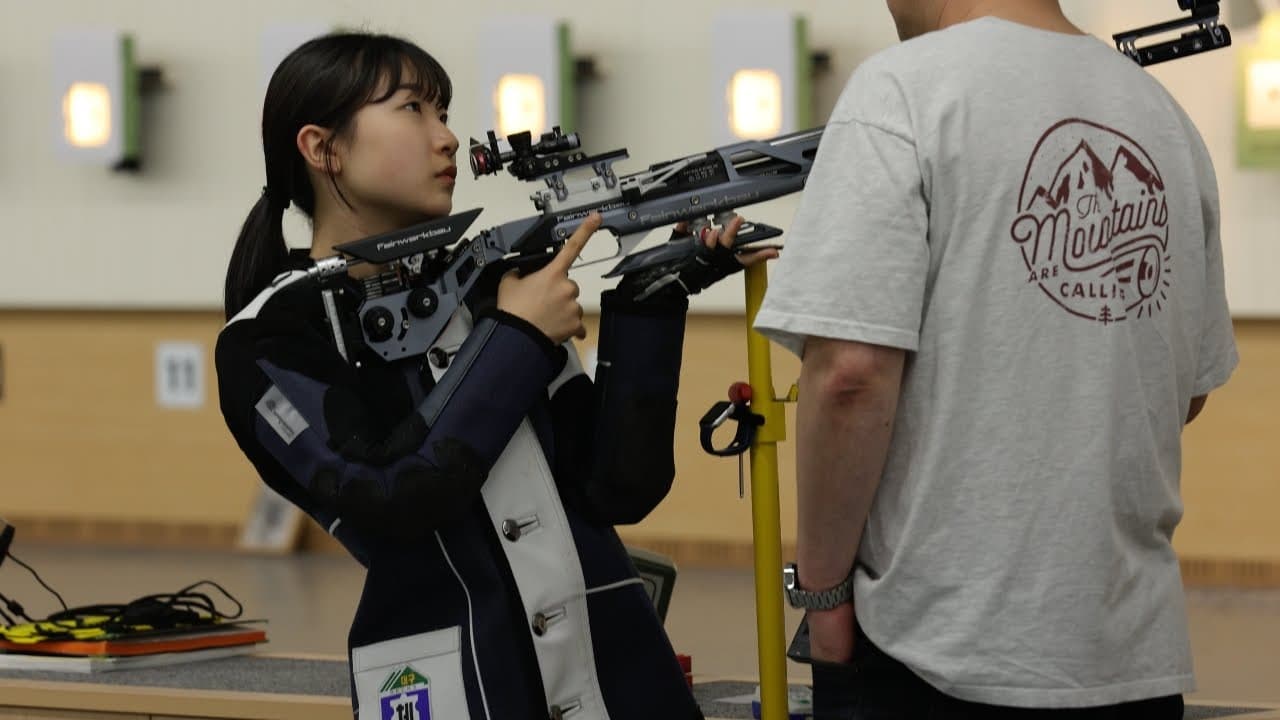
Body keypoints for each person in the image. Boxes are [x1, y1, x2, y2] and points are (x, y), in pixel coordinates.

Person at [215, 32, 772, 720]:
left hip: (618, 675)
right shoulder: (269, 337)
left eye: (443, 112)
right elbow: (390, 494)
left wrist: (648, 300)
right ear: (322, 147)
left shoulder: (486, 286)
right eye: (413, 109)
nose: (446, 138)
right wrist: (516, 337)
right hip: (456, 684)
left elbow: (618, 487)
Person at [753, 1, 1238, 717]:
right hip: (1132, 656)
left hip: (935, 653)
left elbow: (849, 378)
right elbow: (1188, 389)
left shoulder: (902, 90)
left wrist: (822, 598)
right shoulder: (1161, 115)